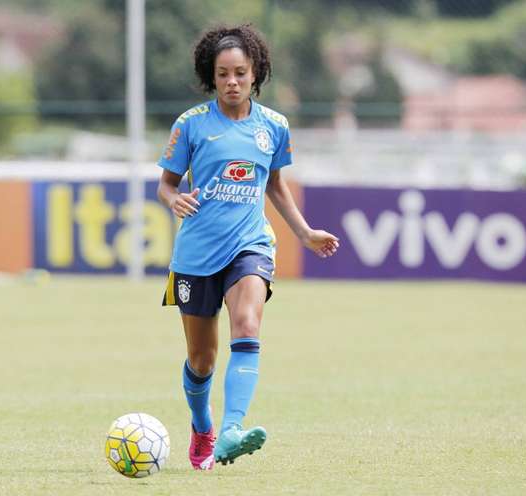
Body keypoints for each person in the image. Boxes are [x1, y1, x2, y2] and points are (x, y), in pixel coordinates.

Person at [157, 23, 339, 470]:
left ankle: (233, 430)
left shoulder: (274, 126)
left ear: (256, 73)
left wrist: (304, 232)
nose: (232, 82)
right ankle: (204, 427)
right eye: (222, 74)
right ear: (211, 76)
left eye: (240, 73)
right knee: (201, 360)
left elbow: (274, 185)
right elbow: (165, 184)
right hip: (196, 254)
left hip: (250, 244)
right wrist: (173, 198)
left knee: (248, 322)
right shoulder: (192, 125)